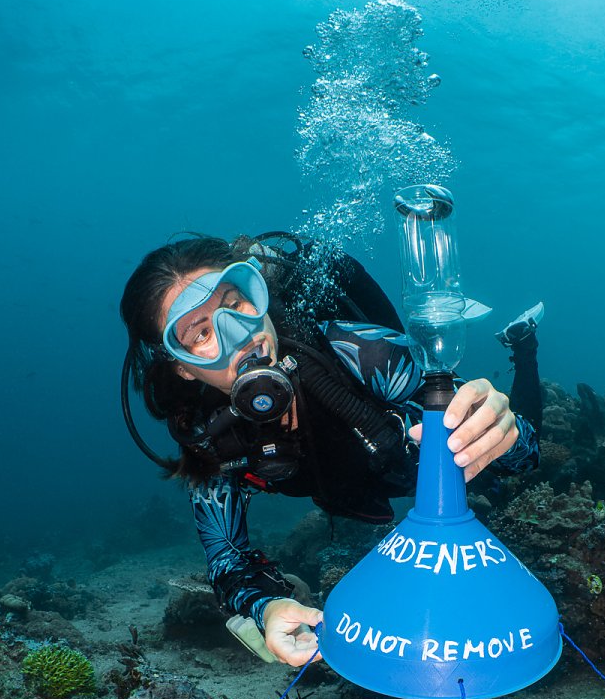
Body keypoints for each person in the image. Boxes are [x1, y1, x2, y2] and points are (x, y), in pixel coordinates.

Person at [120, 233, 544, 667]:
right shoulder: (208, 435)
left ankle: (523, 346)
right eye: (202, 333)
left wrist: (503, 429)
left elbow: (527, 453)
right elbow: (226, 555)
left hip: (431, 469)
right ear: (182, 367)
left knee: (522, 465)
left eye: (235, 303)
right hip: (359, 488)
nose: (240, 335)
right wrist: (266, 607)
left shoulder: (363, 352)